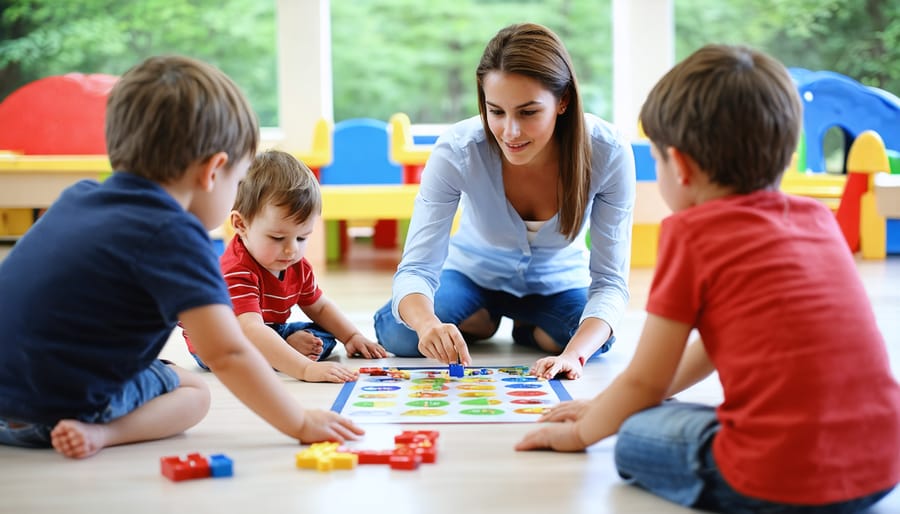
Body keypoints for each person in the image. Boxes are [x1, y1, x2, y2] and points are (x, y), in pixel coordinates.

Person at [515, 44, 900, 513]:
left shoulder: (692, 232)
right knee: (652, 412)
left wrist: (582, 431)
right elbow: (714, 347)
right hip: (881, 468)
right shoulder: (817, 219)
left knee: (634, 432)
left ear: (679, 165)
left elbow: (644, 383)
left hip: (777, 481)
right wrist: (610, 403)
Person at [0, 55, 363, 459]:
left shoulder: (77, 198)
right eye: (238, 180)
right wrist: (299, 421)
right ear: (213, 171)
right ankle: (101, 433)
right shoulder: (174, 234)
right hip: (49, 411)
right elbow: (225, 351)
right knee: (194, 391)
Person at [373, 22, 635, 379]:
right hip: (471, 274)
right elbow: (417, 267)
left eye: (528, 112)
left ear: (563, 101)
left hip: (558, 283)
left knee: (592, 337)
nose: (510, 132)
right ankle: (483, 319)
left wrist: (573, 356)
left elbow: (610, 283)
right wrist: (428, 325)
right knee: (400, 334)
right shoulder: (458, 150)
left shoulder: (608, 152)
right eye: (496, 111)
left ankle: (527, 325)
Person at [186, 149, 386, 382]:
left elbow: (319, 307)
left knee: (323, 335)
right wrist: (304, 369)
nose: (292, 250)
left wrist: (352, 336)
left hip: (268, 329)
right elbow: (251, 329)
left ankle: (284, 349)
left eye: (302, 238)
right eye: (277, 238)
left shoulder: (295, 264)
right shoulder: (236, 269)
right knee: (252, 349)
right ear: (241, 224)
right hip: (220, 342)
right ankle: (285, 353)